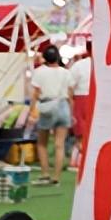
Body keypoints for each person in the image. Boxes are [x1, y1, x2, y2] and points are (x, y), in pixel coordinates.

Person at [29, 45, 72, 185]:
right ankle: (57, 177)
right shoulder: (66, 72)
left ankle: (45, 173)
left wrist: (32, 110)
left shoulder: (39, 72)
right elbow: (70, 93)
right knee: (60, 144)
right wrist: (72, 111)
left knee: (42, 143)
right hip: (63, 106)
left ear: (45, 58)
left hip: (47, 106)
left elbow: (35, 93)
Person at [69, 41, 93, 154]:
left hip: (81, 100)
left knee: (81, 134)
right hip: (96, 100)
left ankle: (82, 157)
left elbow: (70, 86)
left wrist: (70, 103)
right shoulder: (104, 65)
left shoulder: (79, 65)